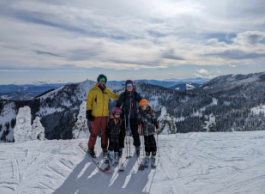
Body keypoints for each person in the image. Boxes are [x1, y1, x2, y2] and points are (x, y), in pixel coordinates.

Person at [86, 74, 121, 158]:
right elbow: (89, 102)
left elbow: (115, 96)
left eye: (104, 80)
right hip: (95, 115)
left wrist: (124, 94)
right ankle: (90, 148)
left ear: (105, 82)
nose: (102, 81)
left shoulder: (107, 91)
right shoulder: (93, 90)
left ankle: (104, 147)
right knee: (94, 132)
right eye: (100, 79)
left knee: (105, 132)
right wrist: (88, 112)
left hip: (105, 115)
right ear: (98, 81)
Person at [115, 80, 142, 156]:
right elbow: (118, 104)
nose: (129, 87)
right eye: (127, 85)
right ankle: (120, 147)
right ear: (126, 87)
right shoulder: (123, 95)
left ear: (133, 86)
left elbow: (142, 102)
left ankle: (137, 147)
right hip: (124, 116)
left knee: (135, 132)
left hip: (133, 117)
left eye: (130, 85)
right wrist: (117, 113)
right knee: (122, 132)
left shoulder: (136, 95)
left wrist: (142, 112)